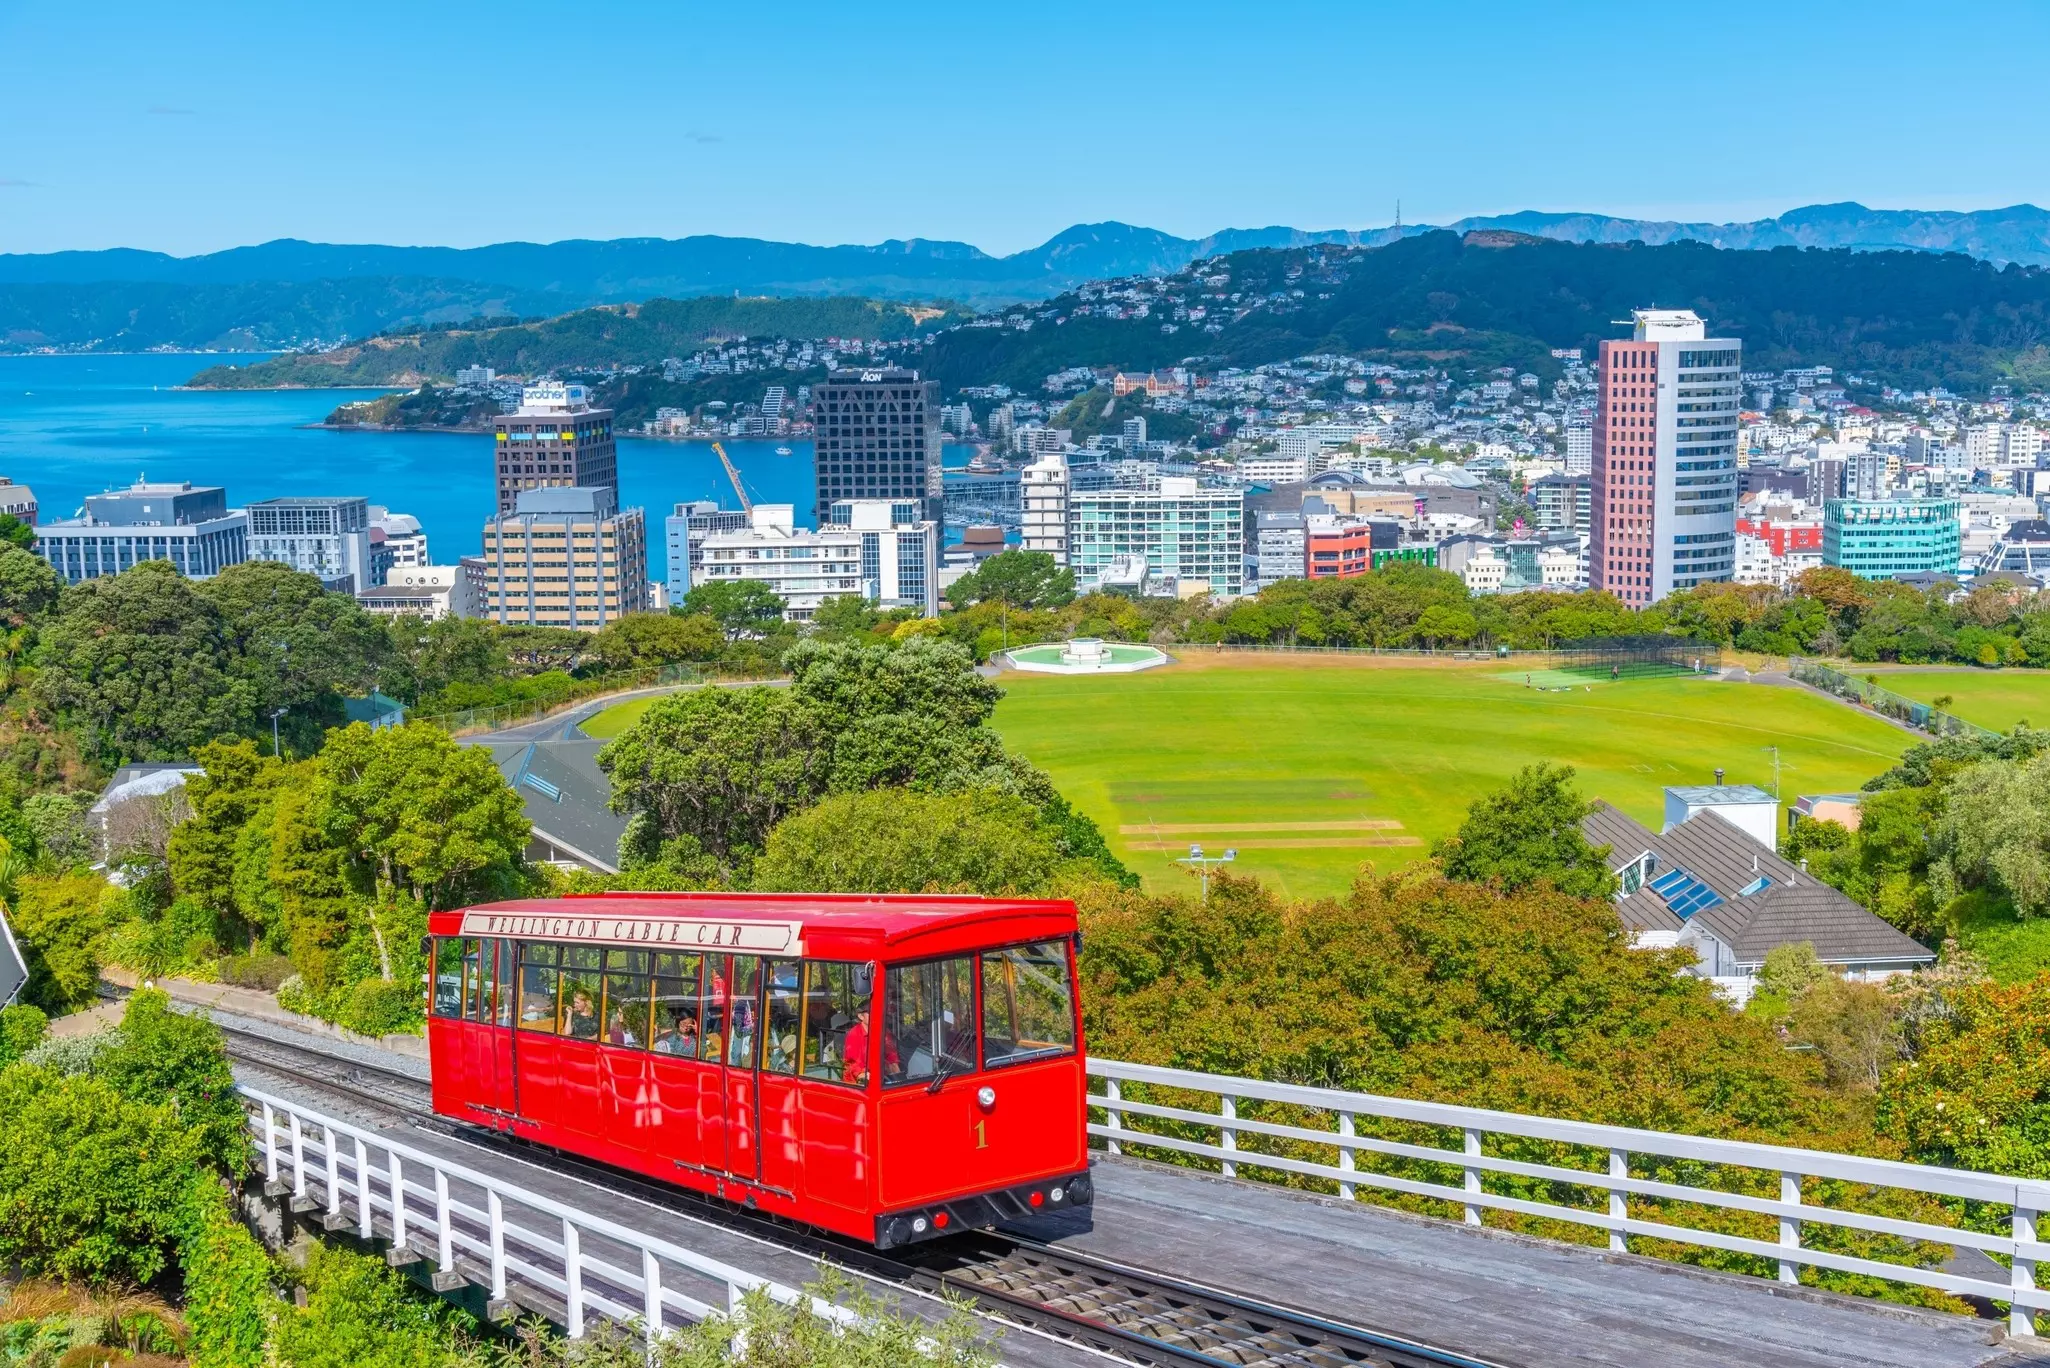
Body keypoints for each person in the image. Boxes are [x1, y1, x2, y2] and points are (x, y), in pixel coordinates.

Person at [841, 1000, 899, 1087]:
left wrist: (897, 1077)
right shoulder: (854, 1034)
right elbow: (854, 1065)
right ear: (861, 1016)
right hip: (858, 1086)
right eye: (871, 1012)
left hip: (882, 1079)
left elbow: (891, 1057)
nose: (876, 1014)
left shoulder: (884, 1032)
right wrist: (867, 1078)